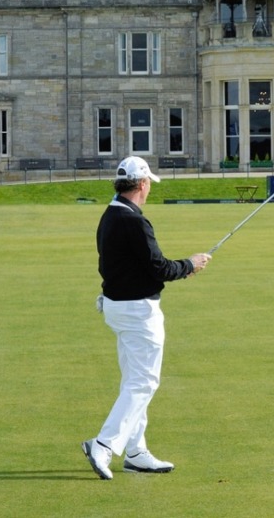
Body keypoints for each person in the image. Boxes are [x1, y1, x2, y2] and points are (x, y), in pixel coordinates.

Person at [82, 156, 212, 480]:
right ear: (142, 184)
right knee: (144, 382)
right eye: (149, 182)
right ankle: (104, 444)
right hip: (138, 311)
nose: (149, 186)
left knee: (133, 380)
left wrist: (183, 267)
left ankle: (136, 451)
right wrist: (191, 264)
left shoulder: (110, 215)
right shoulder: (135, 221)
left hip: (118, 308)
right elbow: (160, 268)